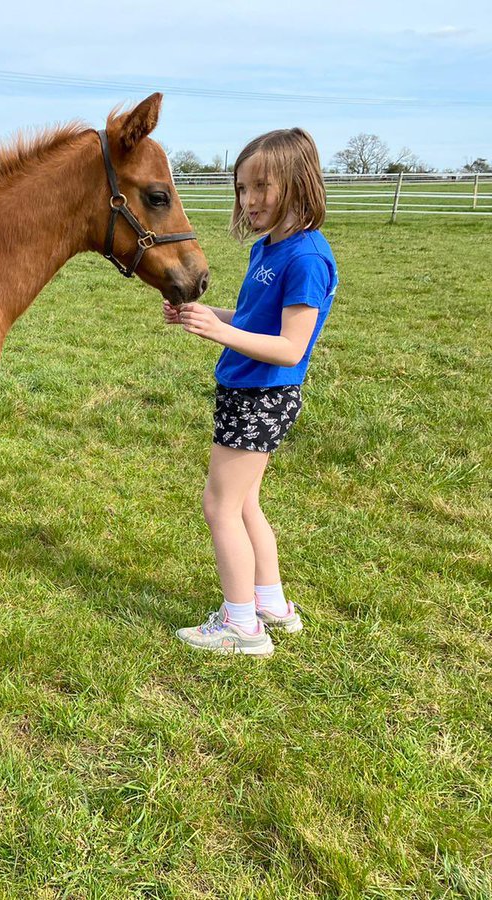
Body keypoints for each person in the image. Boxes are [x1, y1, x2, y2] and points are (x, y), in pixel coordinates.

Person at [167, 128, 338, 655]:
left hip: (263, 394)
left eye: (261, 186)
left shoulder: (306, 259)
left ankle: (241, 626)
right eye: (242, 188)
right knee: (245, 504)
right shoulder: (271, 249)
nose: (250, 200)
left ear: (297, 181)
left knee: (220, 506)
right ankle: (272, 605)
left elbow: (290, 347)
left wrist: (222, 332)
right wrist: (204, 318)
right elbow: (250, 321)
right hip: (247, 390)